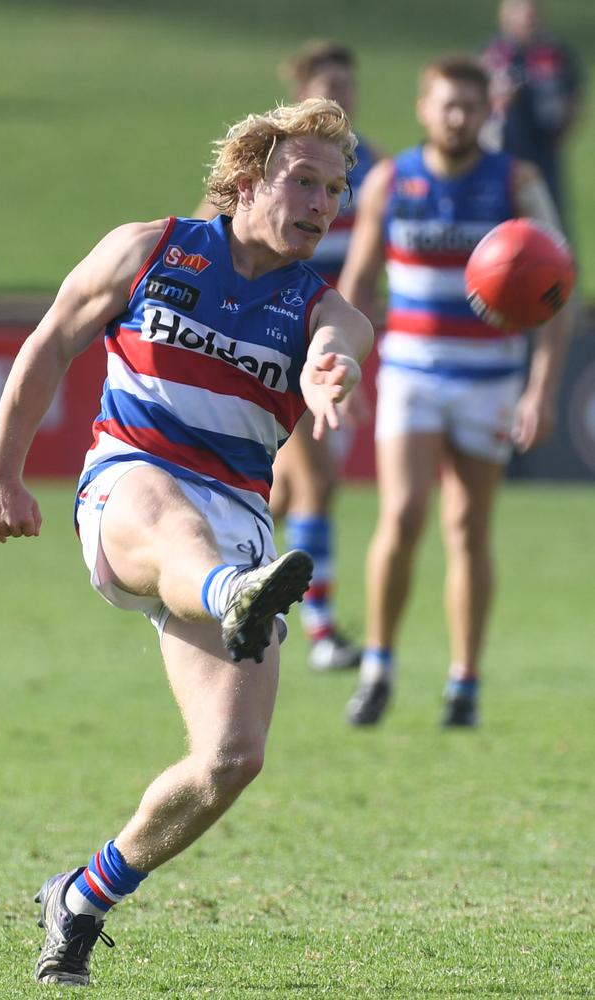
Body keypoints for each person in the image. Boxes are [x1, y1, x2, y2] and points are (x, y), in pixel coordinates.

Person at [0, 97, 373, 986]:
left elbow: (346, 340)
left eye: (335, 190)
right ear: (244, 179)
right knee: (175, 515)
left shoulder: (320, 304)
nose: (320, 204)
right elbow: (49, 345)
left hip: (238, 530)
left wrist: (332, 363)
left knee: (231, 760)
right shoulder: (149, 248)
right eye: (302, 182)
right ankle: (233, 594)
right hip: (129, 488)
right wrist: (3, 470)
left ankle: (81, 897)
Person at [337, 55, 572, 728]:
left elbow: (560, 287)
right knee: (404, 515)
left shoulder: (516, 182)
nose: (459, 117)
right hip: (412, 370)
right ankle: (379, 666)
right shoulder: (392, 179)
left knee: (468, 528)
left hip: (490, 378)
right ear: (424, 107)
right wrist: (347, 364)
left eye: (471, 106)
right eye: (447, 104)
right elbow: (358, 281)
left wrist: (540, 390)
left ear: (488, 113)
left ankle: (464, 680)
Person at [271, 41, 381, 672]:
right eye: (328, 84)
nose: (340, 96)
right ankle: (319, 630)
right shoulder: (278, 157)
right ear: (302, 90)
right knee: (316, 480)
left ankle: (227, 587)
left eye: (348, 84)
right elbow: (210, 220)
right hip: (279, 329)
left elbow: (372, 261)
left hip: (333, 332)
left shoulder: (374, 164)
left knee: (279, 492)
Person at [481, 0, 583, 228]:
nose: (529, 18)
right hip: (500, 152)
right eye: (520, 10)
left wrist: (558, 138)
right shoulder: (491, 54)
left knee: (549, 225)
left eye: (533, 11)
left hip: (544, 154)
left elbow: (573, 102)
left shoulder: (557, 55)